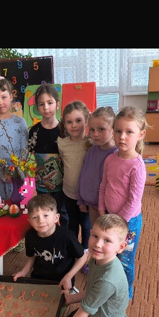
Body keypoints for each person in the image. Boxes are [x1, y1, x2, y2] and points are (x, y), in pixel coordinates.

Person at [48, 214, 131, 317]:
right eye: (95, 236)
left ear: (120, 247)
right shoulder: (96, 259)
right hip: (93, 315)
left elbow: (85, 310)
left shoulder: (108, 279)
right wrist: (71, 299)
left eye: (107, 240)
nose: (97, 244)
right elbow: (91, 291)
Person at [98, 106, 147, 299]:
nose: (122, 137)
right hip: (110, 217)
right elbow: (103, 186)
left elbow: (133, 201)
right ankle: (110, 286)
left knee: (125, 260)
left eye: (129, 132)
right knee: (110, 256)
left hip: (129, 224)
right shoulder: (110, 159)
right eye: (118, 131)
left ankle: (124, 294)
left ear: (141, 134)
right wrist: (101, 211)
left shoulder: (137, 166)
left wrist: (117, 224)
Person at [12, 193, 87, 293]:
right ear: (29, 221)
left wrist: (69, 276)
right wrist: (23, 272)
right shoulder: (30, 236)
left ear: (56, 218)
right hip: (38, 279)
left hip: (62, 281)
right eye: (35, 217)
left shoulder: (67, 236)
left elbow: (82, 257)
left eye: (46, 215)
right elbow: (32, 257)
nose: (41, 221)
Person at [57, 100, 92, 272]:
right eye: (69, 122)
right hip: (69, 193)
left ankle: (85, 255)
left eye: (78, 120)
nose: (74, 125)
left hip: (87, 196)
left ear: (86, 120)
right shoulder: (62, 143)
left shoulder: (91, 144)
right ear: (64, 124)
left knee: (86, 226)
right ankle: (74, 253)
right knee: (71, 225)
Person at [28, 83, 68, 227]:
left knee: (63, 213)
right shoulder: (34, 131)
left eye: (50, 103)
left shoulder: (64, 129)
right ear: (37, 107)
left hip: (63, 184)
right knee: (44, 212)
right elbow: (32, 156)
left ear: (57, 104)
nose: (46, 107)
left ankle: (63, 238)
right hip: (43, 184)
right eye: (41, 104)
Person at [77, 106, 117, 229]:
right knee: (95, 231)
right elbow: (83, 175)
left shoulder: (116, 154)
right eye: (92, 130)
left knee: (107, 234)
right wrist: (81, 199)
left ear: (113, 129)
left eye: (101, 129)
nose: (95, 134)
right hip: (91, 205)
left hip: (107, 208)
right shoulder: (92, 150)